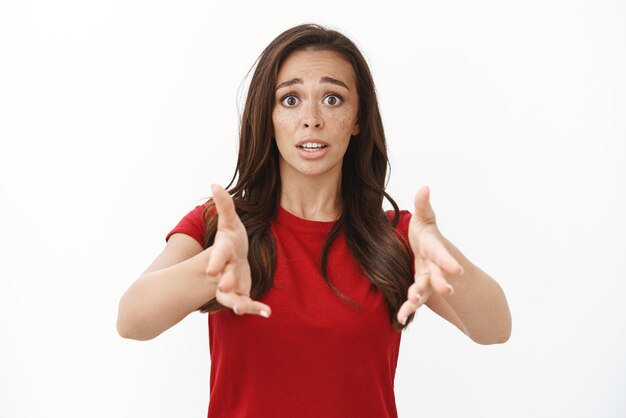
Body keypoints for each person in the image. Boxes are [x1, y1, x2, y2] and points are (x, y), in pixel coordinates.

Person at [117, 23, 511, 418]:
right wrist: (210, 269)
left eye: (333, 99)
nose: (311, 118)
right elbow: (132, 319)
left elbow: (495, 330)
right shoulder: (221, 226)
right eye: (290, 99)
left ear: (358, 118)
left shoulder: (396, 237)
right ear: (267, 116)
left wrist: (446, 261)